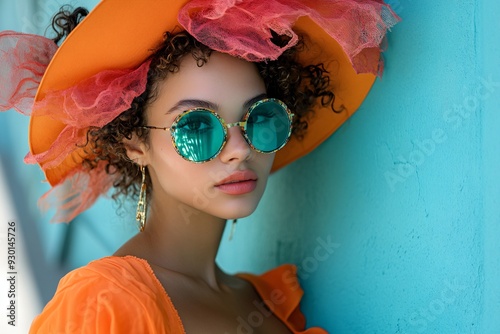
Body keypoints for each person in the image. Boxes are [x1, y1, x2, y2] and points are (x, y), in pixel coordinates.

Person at [0, 0, 398, 332]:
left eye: (259, 117)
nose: (239, 150)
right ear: (135, 142)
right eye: (196, 126)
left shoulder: (270, 303)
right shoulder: (104, 306)